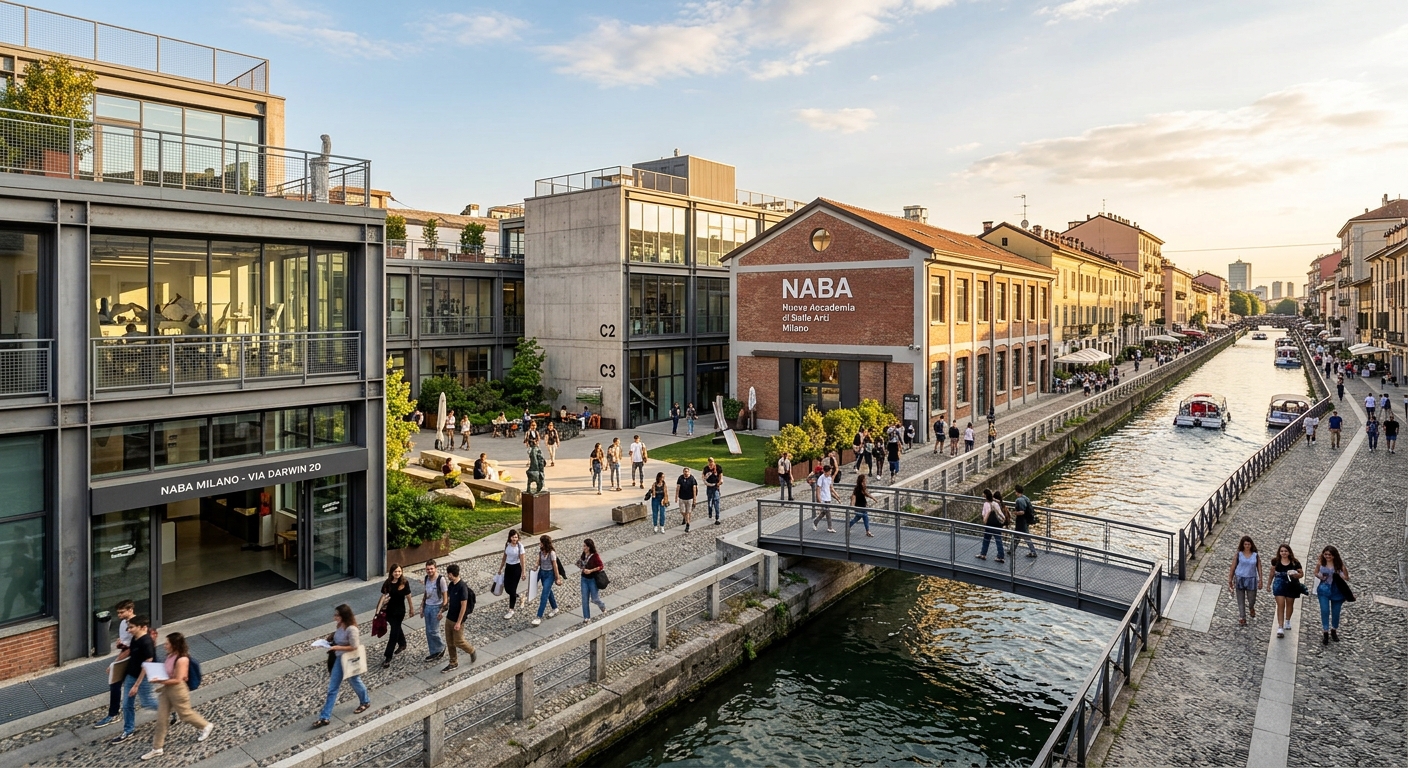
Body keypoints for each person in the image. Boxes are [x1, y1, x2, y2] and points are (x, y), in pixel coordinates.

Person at [140, 632, 213, 760]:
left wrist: (159, 681)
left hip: (178, 690)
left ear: (174, 644)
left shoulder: (182, 659)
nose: (165, 645)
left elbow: (178, 679)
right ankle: (157, 748)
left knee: (185, 714)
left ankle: (205, 725)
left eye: (167, 643)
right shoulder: (170, 656)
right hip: (167, 690)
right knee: (162, 719)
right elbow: (167, 673)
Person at [313, 604, 371, 727]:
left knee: (355, 681)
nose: (334, 617)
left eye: (337, 615)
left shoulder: (351, 629)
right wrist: (330, 639)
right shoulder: (340, 625)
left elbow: (354, 646)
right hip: (339, 659)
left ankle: (365, 701)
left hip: (349, 659)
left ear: (343, 616)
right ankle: (325, 717)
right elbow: (338, 636)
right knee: (332, 688)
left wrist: (336, 647)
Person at [110, 614, 158, 744]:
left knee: (147, 702)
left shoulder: (146, 642)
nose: (128, 630)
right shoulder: (135, 639)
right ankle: (128, 730)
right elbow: (131, 655)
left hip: (142, 678)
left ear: (142, 627)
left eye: (131, 627)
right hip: (131, 675)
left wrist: (137, 685)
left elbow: (147, 664)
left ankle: (169, 708)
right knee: (126, 705)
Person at [94, 599, 137, 729]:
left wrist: (114, 663)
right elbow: (125, 645)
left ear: (130, 610)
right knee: (116, 684)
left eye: (122, 612)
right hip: (126, 656)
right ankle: (114, 713)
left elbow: (130, 648)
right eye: (118, 613)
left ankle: (114, 714)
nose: (119, 615)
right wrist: (120, 644)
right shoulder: (123, 623)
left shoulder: (135, 625)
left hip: (132, 659)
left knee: (142, 690)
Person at [441, 564, 477, 672]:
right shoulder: (451, 585)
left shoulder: (462, 587)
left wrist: (459, 622)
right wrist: (441, 611)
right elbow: (449, 600)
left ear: (451, 574)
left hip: (457, 620)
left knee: (458, 641)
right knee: (449, 642)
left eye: (448, 574)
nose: (448, 576)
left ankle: (471, 650)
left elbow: (463, 606)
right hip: (449, 618)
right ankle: (453, 662)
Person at [377, 564, 414, 669]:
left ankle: (388, 657)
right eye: (395, 571)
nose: (397, 573)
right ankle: (402, 643)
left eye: (399, 571)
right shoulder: (387, 583)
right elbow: (383, 596)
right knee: (396, 628)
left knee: (393, 633)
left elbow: (408, 596)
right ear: (391, 572)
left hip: (399, 612)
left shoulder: (404, 582)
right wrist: (378, 611)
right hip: (389, 612)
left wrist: (411, 609)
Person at [1314, 545, 1350, 644]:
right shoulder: (1321, 563)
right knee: (1324, 610)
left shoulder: (1339, 565)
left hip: (1337, 591)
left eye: (1329, 554)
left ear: (1334, 555)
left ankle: (1334, 629)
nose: (1327, 556)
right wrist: (1320, 576)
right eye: (1325, 554)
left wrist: (1341, 574)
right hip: (1323, 590)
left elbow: (1346, 578)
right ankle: (1325, 631)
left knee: (1336, 612)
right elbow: (1316, 572)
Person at [1266, 544, 1304, 639]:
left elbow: (1301, 573)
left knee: (1290, 604)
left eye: (1285, 551)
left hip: (1291, 585)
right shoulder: (1276, 562)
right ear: (1279, 552)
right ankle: (1280, 626)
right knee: (1280, 605)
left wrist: (1296, 574)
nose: (1284, 553)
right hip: (1279, 584)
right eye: (1282, 551)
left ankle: (1287, 620)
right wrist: (1268, 584)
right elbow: (1272, 573)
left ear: (1289, 552)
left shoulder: (1295, 562)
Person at [1227, 536, 1261, 626]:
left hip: (1252, 579)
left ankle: (1251, 607)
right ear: (1242, 545)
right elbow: (1233, 567)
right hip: (1239, 578)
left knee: (1251, 599)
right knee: (1240, 599)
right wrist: (1230, 579)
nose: (1247, 546)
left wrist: (1260, 579)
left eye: (1248, 544)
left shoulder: (1255, 555)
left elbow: (1259, 567)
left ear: (1251, 545)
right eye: (1245, 544)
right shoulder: (1238, 554)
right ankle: (1242, 617)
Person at [532, 535, 563, 627]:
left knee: (544, 595)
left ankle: (538, 616)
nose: (539, 544)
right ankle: (555, 608)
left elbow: (555, 566)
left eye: (541, 542)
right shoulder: (541, 551)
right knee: (549, 592)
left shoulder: (552, 553)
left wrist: (557, 578)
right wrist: (535, 566)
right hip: (542, 573)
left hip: (550, 575)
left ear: (544, 543)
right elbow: (538, 561)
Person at [421, 560, 447, 662]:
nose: (430, 571)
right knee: (428, 631)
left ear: (435, 568)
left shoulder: (441, 579)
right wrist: (422, 606)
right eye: (428, 569)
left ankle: (440, 647)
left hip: (436, 607)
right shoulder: (426, 578)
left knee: (433, 631)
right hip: (428, 605)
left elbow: (445, 595)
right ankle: (433, 651)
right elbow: (426, 592)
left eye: (431, 568)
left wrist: (442, 610)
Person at [498, 530, 527, 620]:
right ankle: (520, 597)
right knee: (507, 588)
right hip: (508, 568)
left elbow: (522, 560)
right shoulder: (507, 545)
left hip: (516, 568)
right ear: (510, 537)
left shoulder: (520, 546)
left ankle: (511, 610)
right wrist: (500, 568)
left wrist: (523, 572)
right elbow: (504, 557)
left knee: (512, 589)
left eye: (516, 537)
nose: (515, 539)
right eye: (513, 537)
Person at [578, 539, 607, 622]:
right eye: (583, 546)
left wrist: (590, 570)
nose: (583, 548)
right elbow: (581, 564)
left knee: (595, 598)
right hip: (584, 579)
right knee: (584, 598)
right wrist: (582, 568)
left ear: (589, 547)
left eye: (585, 546)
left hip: (592, 579)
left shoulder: (595, 556)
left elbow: (601, 566)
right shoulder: (584, 555)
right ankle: (586, 617)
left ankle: (602, 605)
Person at [976, 489, 1006, 563]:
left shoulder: (986, 504)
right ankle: (1000, 556)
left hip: (989, 524)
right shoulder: (995, 503)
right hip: (996, 525)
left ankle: (983, 554)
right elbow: (1000, 513)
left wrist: (985, 520)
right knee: (998, 540)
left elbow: (984, 514)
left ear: (985, 496)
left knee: (986, 539)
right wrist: (1003, 520)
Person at [1011, 484, 1038, 558]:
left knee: (1024, 536)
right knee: (1017, 535)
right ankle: (1012, 549)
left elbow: (1022, 512)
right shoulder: (1025, 498)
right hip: (1026, 520)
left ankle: (1033, 552)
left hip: (1021, 521)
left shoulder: (1019, 500)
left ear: (1017, 491)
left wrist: (1015, 513)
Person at [813, 466, 836, 532]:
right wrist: (819, 499)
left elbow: (830, 487)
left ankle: (815, 522)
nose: (830, 473)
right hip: (823, 497)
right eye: (830, 471)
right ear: (826, 471)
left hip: (828, 497)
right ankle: (830, 527)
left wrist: (836, 496)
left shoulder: (829, 478)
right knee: (828, 512)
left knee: (824, 512)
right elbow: (818, 489)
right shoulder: (821, 478)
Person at [676, 466, 699, 533]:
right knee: (682, 511)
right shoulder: (680, 478)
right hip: (682, 497)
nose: (686, 473)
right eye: (685, 472)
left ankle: (687, 524)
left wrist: (694, 499)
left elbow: (694, 489)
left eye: (687, 472)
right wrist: (676, 496)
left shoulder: (692, 479)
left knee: (688, 512)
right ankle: (685, 518)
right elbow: (678, 487)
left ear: (689, 472)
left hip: (689, 498)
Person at [703, 458, 723, 524]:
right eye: (709, 462)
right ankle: (710, 513)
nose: (711, 463)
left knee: (716, 501)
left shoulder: (718, 468)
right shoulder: (706, 468)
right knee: (710, 502)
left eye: (712, 462)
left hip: (715, 487)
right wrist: (706, 480)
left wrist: (719, 483)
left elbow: (721, 477)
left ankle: (717, 517)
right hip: (709, 486)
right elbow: (703, 477)